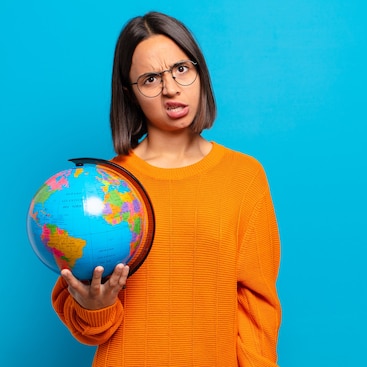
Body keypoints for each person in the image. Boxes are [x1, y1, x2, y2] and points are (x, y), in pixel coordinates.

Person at [51, 11, 281, 367]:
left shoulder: (244, 176)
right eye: (150, 79)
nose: (171, 88)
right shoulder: (104, 186)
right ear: (130, 94)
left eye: (181, 69)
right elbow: (89, 325)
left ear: (199, 72)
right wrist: (94, 306)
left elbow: (256, 305)